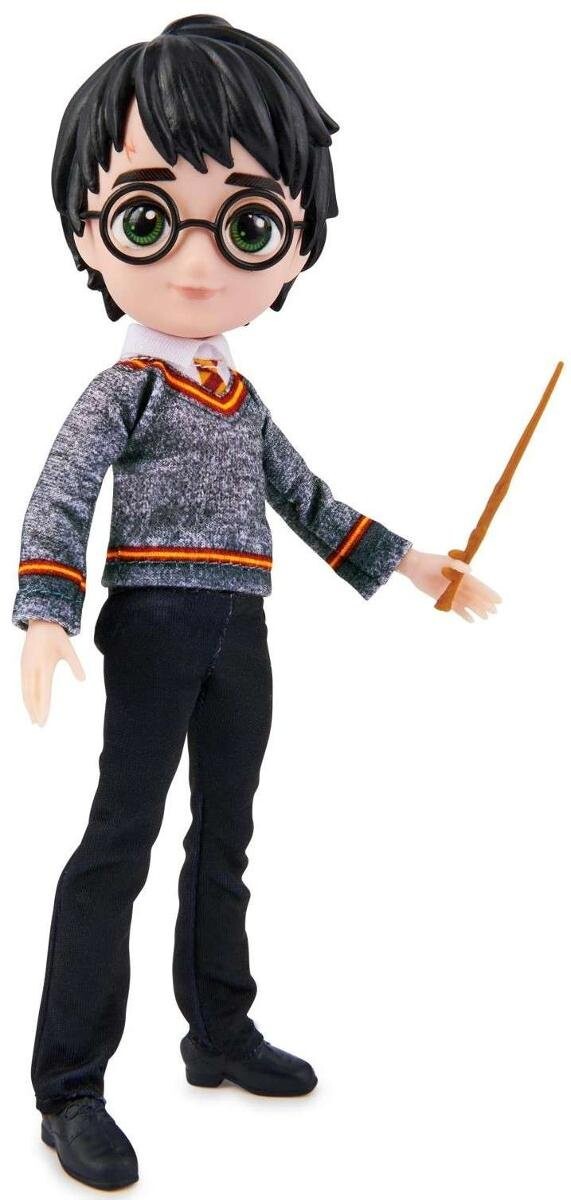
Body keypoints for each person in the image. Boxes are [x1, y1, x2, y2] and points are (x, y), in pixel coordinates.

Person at [13, 15, 500, 1191]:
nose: (197, 264)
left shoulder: (242, 399)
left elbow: (309, 499)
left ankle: (217, 1028)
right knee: (119, 841)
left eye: (244, 226)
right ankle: (69, 1085)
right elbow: (61, 494)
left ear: (292, 245)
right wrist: (45, 613)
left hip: (243, 629)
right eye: (147, 217)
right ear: (89, 229)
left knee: (223, 835)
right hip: (153, 622)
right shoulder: (125, 388)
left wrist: (416, 565)